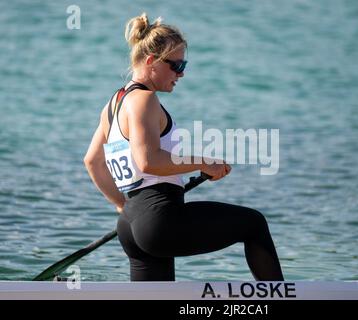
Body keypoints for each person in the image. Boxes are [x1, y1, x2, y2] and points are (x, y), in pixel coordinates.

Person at [83, 12, 284, 281]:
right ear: (152, 62)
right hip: (160, 221)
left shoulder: (114, 103)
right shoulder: (144, 100)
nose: (182, 73)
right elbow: (147, 161)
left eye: (183, 64)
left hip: (130, 226)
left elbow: (92, 162)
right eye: (176, 65)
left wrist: (122, 206)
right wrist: (203, 163)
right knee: (254, 224)